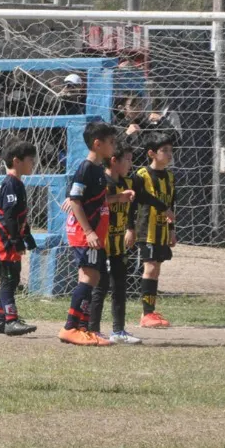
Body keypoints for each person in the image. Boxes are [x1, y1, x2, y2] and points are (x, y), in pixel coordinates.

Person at [60, 121, 131, 347]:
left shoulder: (98, 170)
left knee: (93, 277)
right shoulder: (86, 168)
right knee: (90, 278)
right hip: (85, 235)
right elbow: (76, 200)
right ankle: (71, 327)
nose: (114, 145)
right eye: (111, 142)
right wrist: (89, 231)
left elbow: (94, 201)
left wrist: (116, 199)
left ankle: (82, 327)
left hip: (94, 235)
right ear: (98, 144)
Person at [87, 138, 165, 345]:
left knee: (120, 286)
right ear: (114, 161)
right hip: (100, 243)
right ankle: (92, 329)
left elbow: (145, 197)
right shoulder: (101, 181)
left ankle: (118, 330)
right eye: (128, 160)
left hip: (119, 243)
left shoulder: (129, 182)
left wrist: (165, 209)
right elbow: (90, 201)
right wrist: (117, 198)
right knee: (100, 286)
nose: (131, 164)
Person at [0, 140, 39, 337]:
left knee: (13, 276)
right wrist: (16, 240)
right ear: (17, 161)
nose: (32, 164)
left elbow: (19, 216)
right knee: (10, 277)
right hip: (4, 238)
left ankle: (0, 321)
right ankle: (10, 320)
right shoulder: (10, 184)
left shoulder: (17, 183)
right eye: (30, 160)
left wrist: (27, 235)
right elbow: (9, 216)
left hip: (11, 236)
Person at [134, 130, 177, 328]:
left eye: (170, 150)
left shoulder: (170, 176)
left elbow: (171, 204)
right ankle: (146, 313)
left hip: (162, 230)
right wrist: (129, 228)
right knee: (149, 268)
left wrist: (172, 229)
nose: (169, 154)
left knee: (156, 269)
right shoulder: (142, 175)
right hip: (146, 229)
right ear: (151, 153)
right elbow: (137, 200)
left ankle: (150, 311)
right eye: (164, 150)